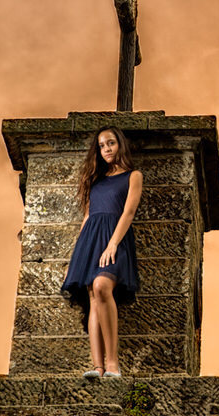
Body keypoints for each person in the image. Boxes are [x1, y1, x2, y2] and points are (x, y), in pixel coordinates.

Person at [60, 126, 143, 378]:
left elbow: (128, 213)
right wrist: (79, 253)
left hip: (115, 238)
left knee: (101, 287)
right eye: (102, 145)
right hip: (90, 239)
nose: (106, 149)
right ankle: (97, 367)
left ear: (121, 145)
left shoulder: (133, 176)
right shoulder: (94, 181)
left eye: (111, 143)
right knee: (93, 298)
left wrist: (112, 244)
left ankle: (113, 365)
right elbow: (87, 217)